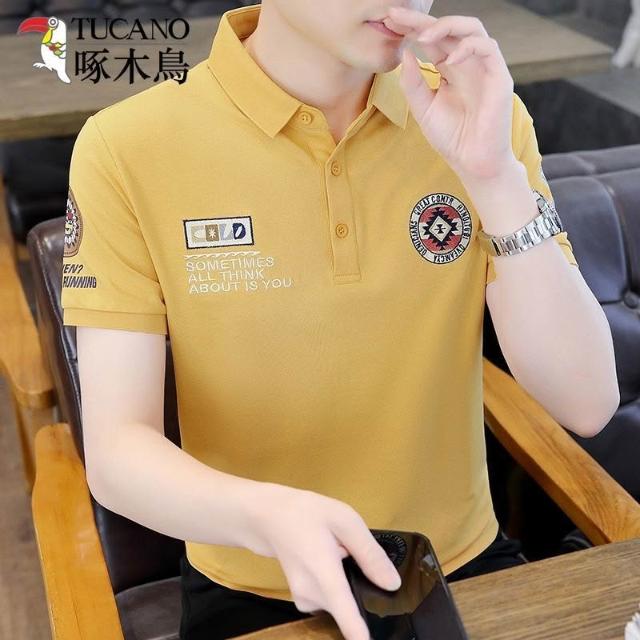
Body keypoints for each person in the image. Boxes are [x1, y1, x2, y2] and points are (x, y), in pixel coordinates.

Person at [60, 2, 619, 639]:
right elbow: (118, 450)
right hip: (253, 583)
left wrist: (493, 179)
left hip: (459, 565)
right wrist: (264, 516)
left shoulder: (477, 114)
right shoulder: (127, 146)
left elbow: (586, 402)